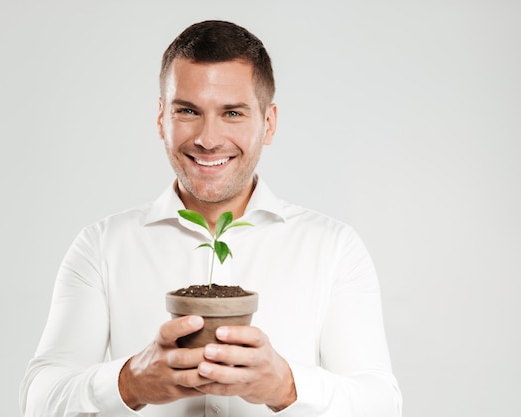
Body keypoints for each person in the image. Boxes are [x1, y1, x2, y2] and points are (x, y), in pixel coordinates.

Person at [20, 20, 402, 417]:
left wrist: (286, 385)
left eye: (232, 113)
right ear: (160, 119)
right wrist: (130, 381)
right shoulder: (102, 246)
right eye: (187, 111)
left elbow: (382, 404)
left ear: (268, 123)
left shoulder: (333, 248)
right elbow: (39, 399)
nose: (208, 138)